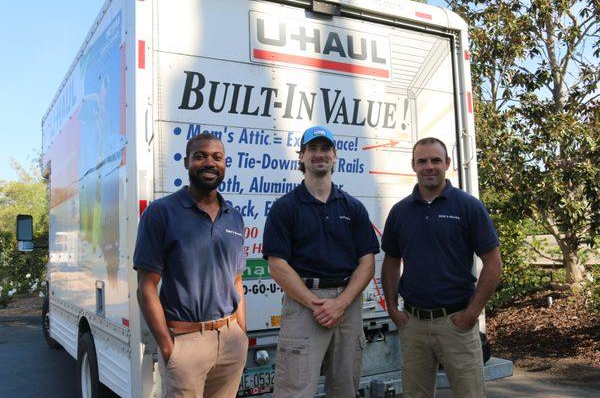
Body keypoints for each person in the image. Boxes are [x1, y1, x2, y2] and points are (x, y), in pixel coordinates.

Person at [263, 126, 380, 398]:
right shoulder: (285, 207)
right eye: (312, 149)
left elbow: (367, 263)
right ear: (301, 156)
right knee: (295, 391)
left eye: (325, 149)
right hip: (304, 304)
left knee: (345, 388)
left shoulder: (352, 207)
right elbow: (278, 266)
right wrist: (315, 303)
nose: (319, 154)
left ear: (334, 155)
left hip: (347, 304)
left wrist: (340, 303)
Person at [381, 137, 502, 398]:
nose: (429, 166)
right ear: (413, 165)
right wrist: (392, 307)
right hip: (413, 324)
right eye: (422, 161)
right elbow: (391, 262)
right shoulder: (400, 212)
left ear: (447, 163)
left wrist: (471, 314)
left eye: (436, 160)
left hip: (456, 322)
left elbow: (493, 263)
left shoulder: (468, 207)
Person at [134, 133, 248, 398]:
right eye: (200, 156)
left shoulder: (234, 218)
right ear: (186, 162)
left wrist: (241, 333)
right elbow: (146, 286)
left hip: (230, 339)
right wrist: (167, 346)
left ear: (225, 164)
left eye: (217, 157)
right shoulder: (161, 213)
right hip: (185, 342)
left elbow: (236, 280)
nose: (209, 162)